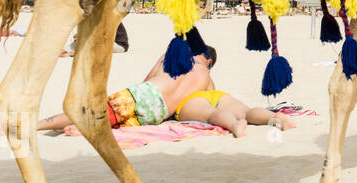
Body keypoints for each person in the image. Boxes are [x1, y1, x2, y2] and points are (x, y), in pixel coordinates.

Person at [30, 47, 220, 132]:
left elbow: (147, 80)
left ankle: (33, 126)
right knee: (108, 121)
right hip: (159, 114)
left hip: (147, 94)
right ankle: (77, 129)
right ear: (209, 62)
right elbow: (198, 107)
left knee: (92, 112)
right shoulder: (208, 81)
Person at [173, 82, 295, 138]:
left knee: (212, 114)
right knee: (246, 113)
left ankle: (235, 125)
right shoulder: (204, 73)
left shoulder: (178, 70)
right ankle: (275, 117)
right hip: (216, 94)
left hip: (191, 99)